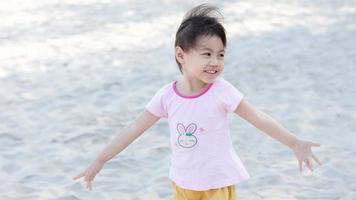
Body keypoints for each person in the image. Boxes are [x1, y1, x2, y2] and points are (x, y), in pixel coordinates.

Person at [73, 4, 322, 200]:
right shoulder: (167, 96)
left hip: (217, 182)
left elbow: (258, 117)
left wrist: (294, 142)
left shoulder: (221, 91)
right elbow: (133, 129)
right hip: (183, 183)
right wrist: (101, 159)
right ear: (181, 55)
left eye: (221, 54)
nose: (216, 61)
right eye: (207, 54)